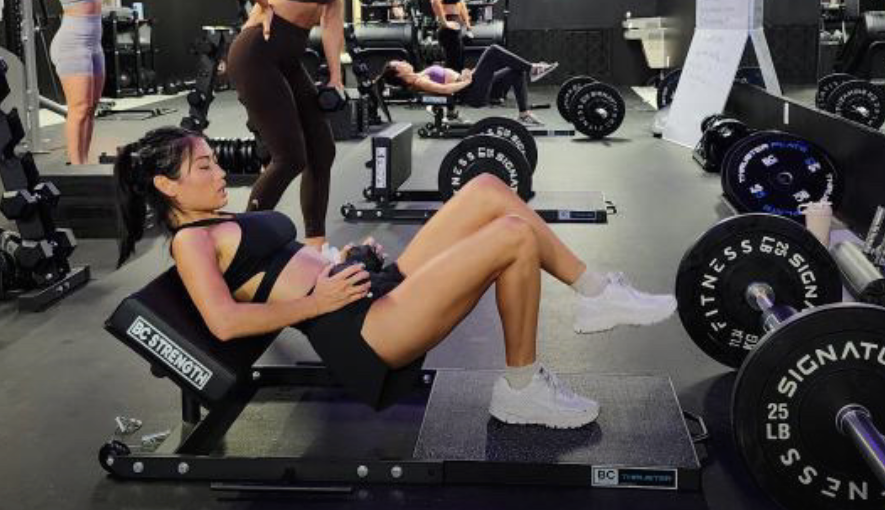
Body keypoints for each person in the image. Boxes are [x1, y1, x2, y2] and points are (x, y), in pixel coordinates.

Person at [114, 128, 677, 429]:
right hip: (359, 330)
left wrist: (345, 255)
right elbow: (226, 320)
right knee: (513, 236)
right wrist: (317, 300)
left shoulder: (219, 220)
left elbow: (282, 267)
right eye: (204, 166)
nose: (219, 171)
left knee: (486, 187)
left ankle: (595, 293)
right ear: (167, 188)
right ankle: (522, 390)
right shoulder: (192, 241)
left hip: (363, 288)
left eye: (214, 160)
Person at [221, 0, 380, 246]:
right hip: (258, 53)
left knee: (322, 151)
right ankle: (241, 247)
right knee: (289, 156)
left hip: (289, 58)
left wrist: (336, 76)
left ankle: (316, 245)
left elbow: (331, 20)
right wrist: (262, 1)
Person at [46, 0, 126, 166]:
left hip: (93, 45)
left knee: (91, 108)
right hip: (72, 44)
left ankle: (84, 163)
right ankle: (76, 167)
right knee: (79, 109)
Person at [380, 46, 558, 121]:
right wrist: (466, 81)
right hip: (471, 93)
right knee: (493, 51)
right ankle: (533, 68)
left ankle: (524, 113)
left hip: (470, 86)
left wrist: (467, 75)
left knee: (515, 71)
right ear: (399, 75)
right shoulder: (420, 81)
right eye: (400, 64)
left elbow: (451, 80)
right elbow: (446, 89)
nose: (403, 62)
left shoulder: (420, 74)